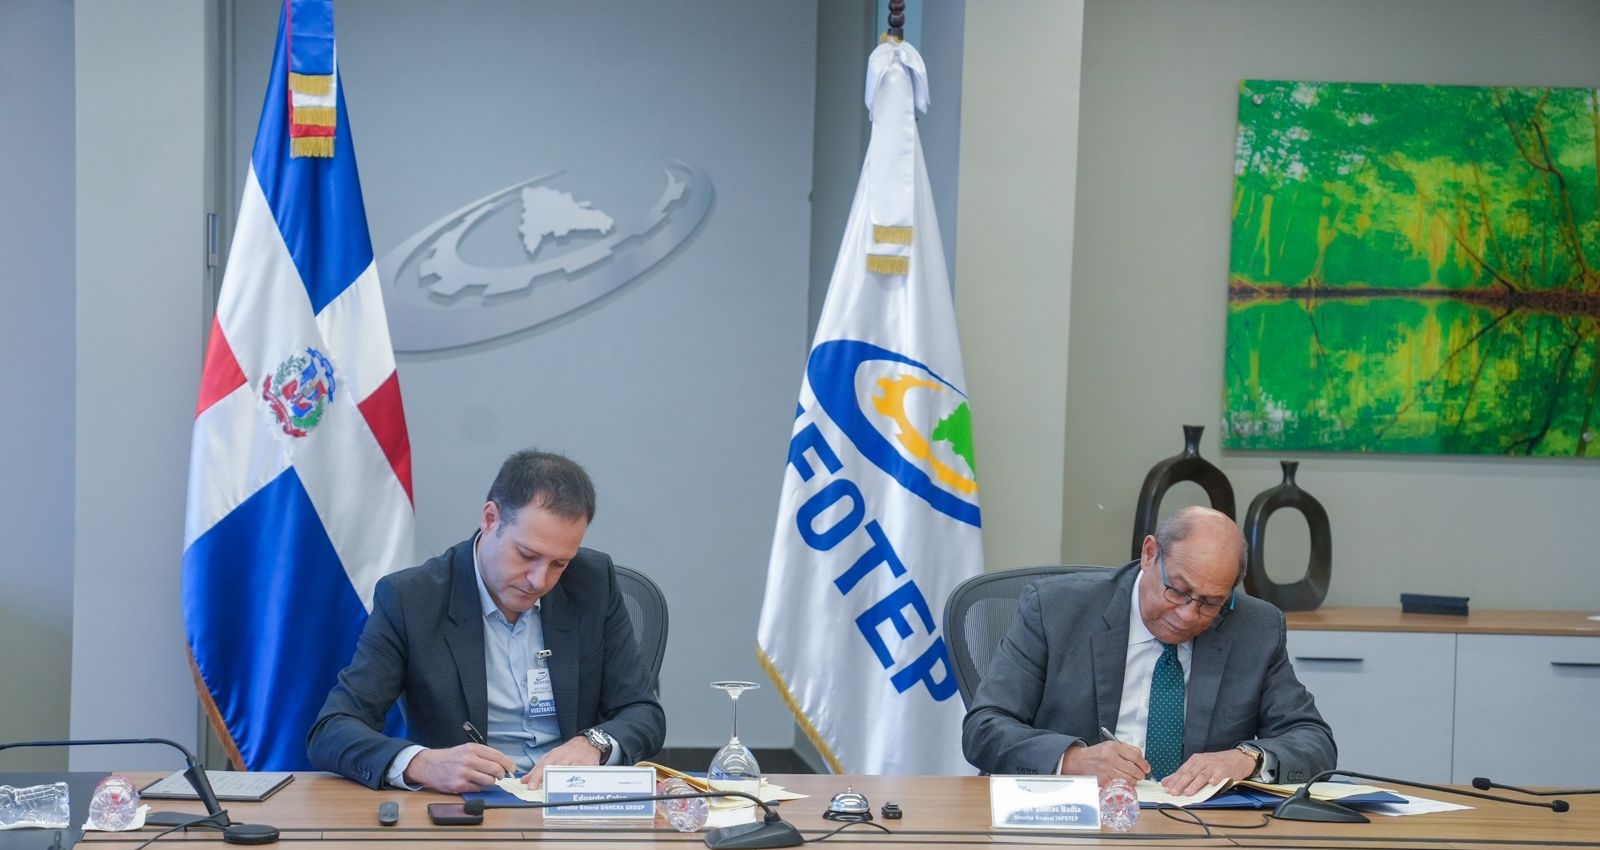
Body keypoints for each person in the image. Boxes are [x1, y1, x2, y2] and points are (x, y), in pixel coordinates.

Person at [307, 449, 665, 793]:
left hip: (571, 801)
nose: (539, 580)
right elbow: (332, 730)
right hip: (472, 806)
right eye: (526, 555)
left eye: (560, 563)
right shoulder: (412, 599)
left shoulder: (593, 582)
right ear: (491, 519)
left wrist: (594, 743)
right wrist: (421, 763)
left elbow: (643, 711)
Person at [961, 506, 1334, 796]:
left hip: (1199, 829)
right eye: (1179, 591)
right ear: (1150, 553)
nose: (1188, 615)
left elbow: (1313, 740)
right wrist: (1075, 760)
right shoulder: (1055, 609)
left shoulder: (1255, 628)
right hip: (1074, 816)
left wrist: (1246, 759)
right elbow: (985, 728)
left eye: (1210, 603)